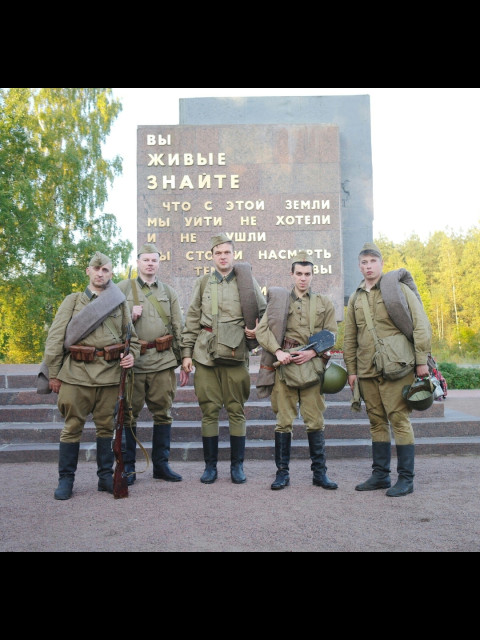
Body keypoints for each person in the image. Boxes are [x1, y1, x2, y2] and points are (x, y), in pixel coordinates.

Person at [40, 251, 140, 500]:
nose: (100, 273)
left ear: (111, 274)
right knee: (72, 427)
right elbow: (54, 339)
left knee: (106, 428)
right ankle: (66, 480)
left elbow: (133, 339)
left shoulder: (119, 303)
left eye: (105, 270)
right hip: (76, 375)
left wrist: (132, 356)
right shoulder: (72, 301)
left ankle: (106, 478)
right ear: (88, 271)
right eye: (96, 269)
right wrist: (54, 374)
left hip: (108, 376)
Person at [343, 242, 432, 497]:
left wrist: (421, 360)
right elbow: (350, 337)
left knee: (399, 419)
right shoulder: (356, 297)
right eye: (364, 262)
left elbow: (421, 324)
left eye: (373, 261)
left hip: (397, 366)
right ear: (359, 266)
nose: (368, 266)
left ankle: (406, 478)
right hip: (367, 369)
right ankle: (380, 475)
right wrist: (351, 370)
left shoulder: (398, 289)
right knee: (376, 421)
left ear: (381, 264)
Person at [180, 233, 266, 484]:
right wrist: (186, 353)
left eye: (227, 252)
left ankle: (237, 467)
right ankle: (210, 467)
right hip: (205, 355)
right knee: (209, 411)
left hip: (235, 352)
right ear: (212, 256)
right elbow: (193, 318)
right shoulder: (203, 282)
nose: (223, 257)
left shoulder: (246, 282)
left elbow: (265, 313)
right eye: (218, 253)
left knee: (236, 410)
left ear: (234, 254)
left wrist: (256, 331)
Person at [255, 251, 339, 491]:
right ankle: (282, 473)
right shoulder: (280, 302)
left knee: (315, 421)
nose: (303, 278)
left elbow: (332, 334)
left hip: (312, 368)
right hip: (285, 367)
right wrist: (278, 351)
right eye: (299, 274)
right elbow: (262, 331)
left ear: (313, 275)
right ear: (291, 275)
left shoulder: (324, 303)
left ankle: (319, 474)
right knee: (283, 422)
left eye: (308, 274)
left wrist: (313, 353)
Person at [118, 243, 188, 485]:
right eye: (145, 259)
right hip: (133, 363)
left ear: (159, 263)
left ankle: (161, 464)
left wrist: (184, 357)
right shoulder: (122, 289)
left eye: (154, 260)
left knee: (163, 414)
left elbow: (179, 326)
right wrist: (130, 314)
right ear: (138, 262)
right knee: (128, 415)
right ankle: (128, 467)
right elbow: (109, 325)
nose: (150, 263)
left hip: (162, 361)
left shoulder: (168, 292)